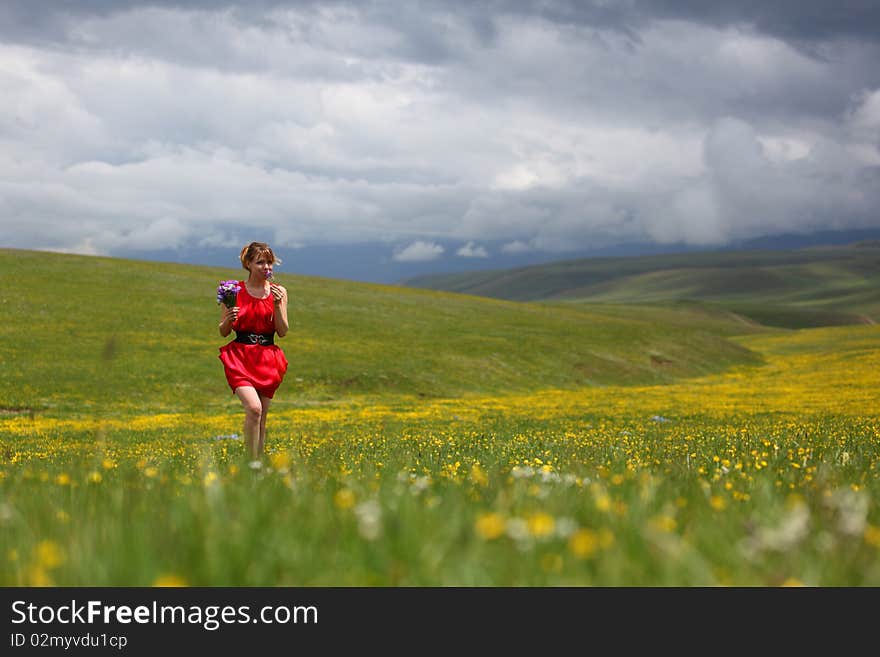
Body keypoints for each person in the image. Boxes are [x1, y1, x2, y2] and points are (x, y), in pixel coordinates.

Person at [218, 242, 289, 458]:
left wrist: (277, 305)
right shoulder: (232, 291)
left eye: (269, 262)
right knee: (254, 408)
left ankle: (257, 466)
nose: (266, 267)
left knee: (262, 416)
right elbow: (223, 331)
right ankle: (251, 462)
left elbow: (283, 331)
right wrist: (228, 320)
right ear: (248, 264)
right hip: (240, 357)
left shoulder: (280, 292)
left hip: (267, 358)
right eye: (260, 262)